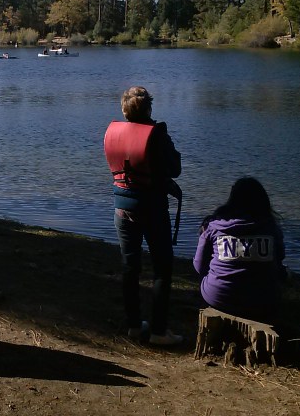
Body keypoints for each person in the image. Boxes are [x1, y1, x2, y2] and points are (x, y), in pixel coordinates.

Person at [104, 86, 183, 345]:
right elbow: (175, 168)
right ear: (148, 108)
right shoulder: (157, 135)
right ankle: (159, 331)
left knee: (130, 268)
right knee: (162, 268)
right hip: (152, 210)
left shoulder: (114, 132)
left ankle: (135, 326)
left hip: (121, 209)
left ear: (124, 109)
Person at [193, 177, 287, 323]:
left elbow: (199, 266)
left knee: (206, 275)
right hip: (263, 300)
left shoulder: (214, 227)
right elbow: (279, 259)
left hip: (219, 297)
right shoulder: (272, 228)